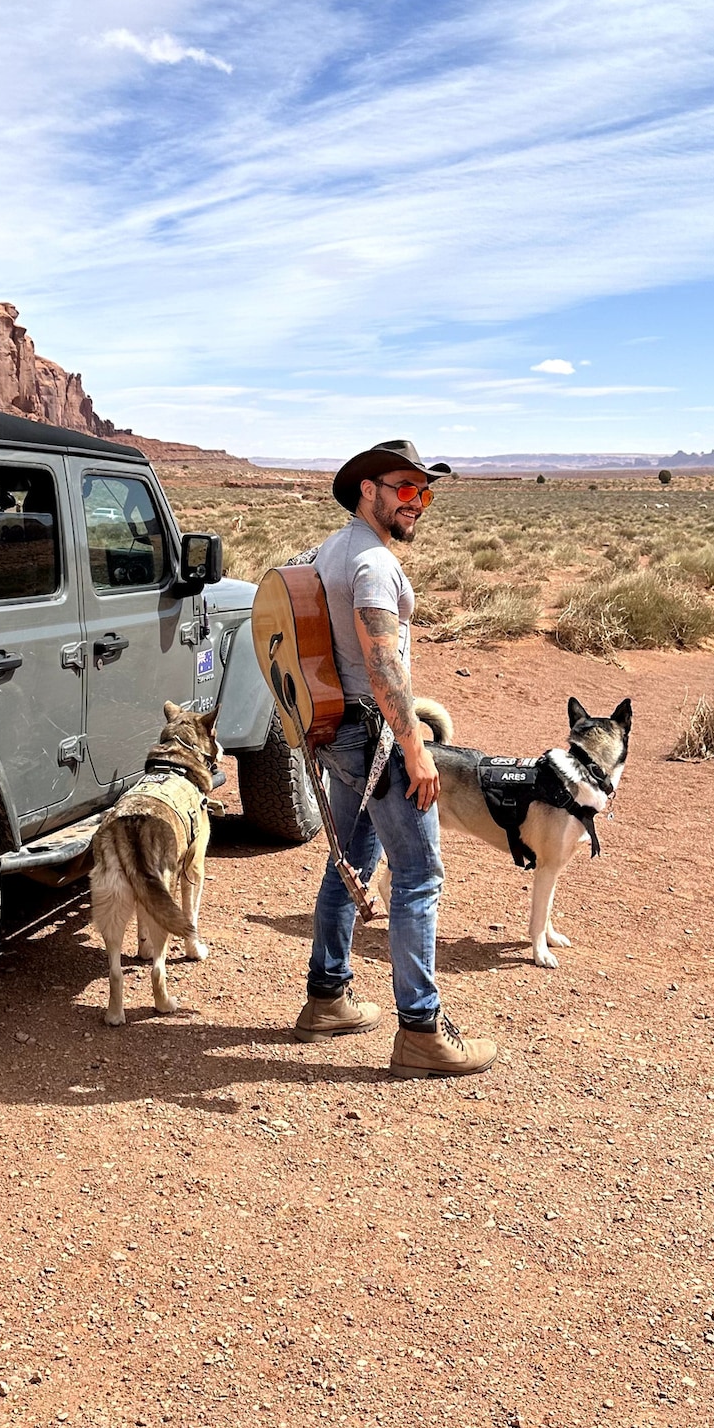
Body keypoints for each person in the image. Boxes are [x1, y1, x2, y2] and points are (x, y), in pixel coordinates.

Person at [293, 439, 497, 1080]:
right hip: (376, 737)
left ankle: (326, 997)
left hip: (340, 732)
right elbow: (383, 666)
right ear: (368, 490)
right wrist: (416, 751)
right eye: (406, 489)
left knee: (351, 861)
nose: (418, 503)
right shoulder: (375, 564)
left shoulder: (330, 549)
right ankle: (421, 1031)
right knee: (418, 875)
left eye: (424, 493)